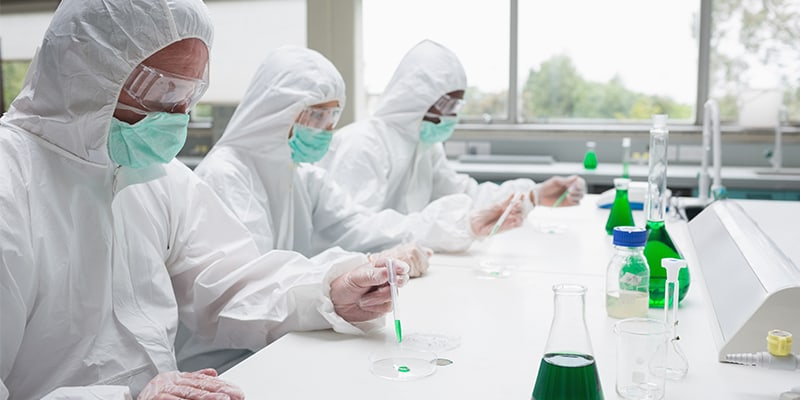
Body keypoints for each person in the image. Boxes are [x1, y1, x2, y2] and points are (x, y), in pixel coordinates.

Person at [0, 1, 408, 399]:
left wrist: (328, 293)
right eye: (163, 90)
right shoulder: (11, 183)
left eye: (190, 93)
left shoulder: (157, 175)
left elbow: (224, 279)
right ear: (86, 69)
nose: (180, 114)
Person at [194, 45, 526, 267]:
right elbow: (253, 282)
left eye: (332, 117)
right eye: (316, 116)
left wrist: (461, 224)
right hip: (232, 348)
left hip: (285, 328)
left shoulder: (302, 176)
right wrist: (359, 266)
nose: (326, 130)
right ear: (276, 111)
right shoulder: (227, 176)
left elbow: (363, 226)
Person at [318, 39, 587, 218]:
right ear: (417, 98)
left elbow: (465, 196)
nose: (452, 116)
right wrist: (435, 231)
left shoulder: (424, 146)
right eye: (447, 105)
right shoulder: (364, 144)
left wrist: (534, 194)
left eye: (457, 105)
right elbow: (353, 230)